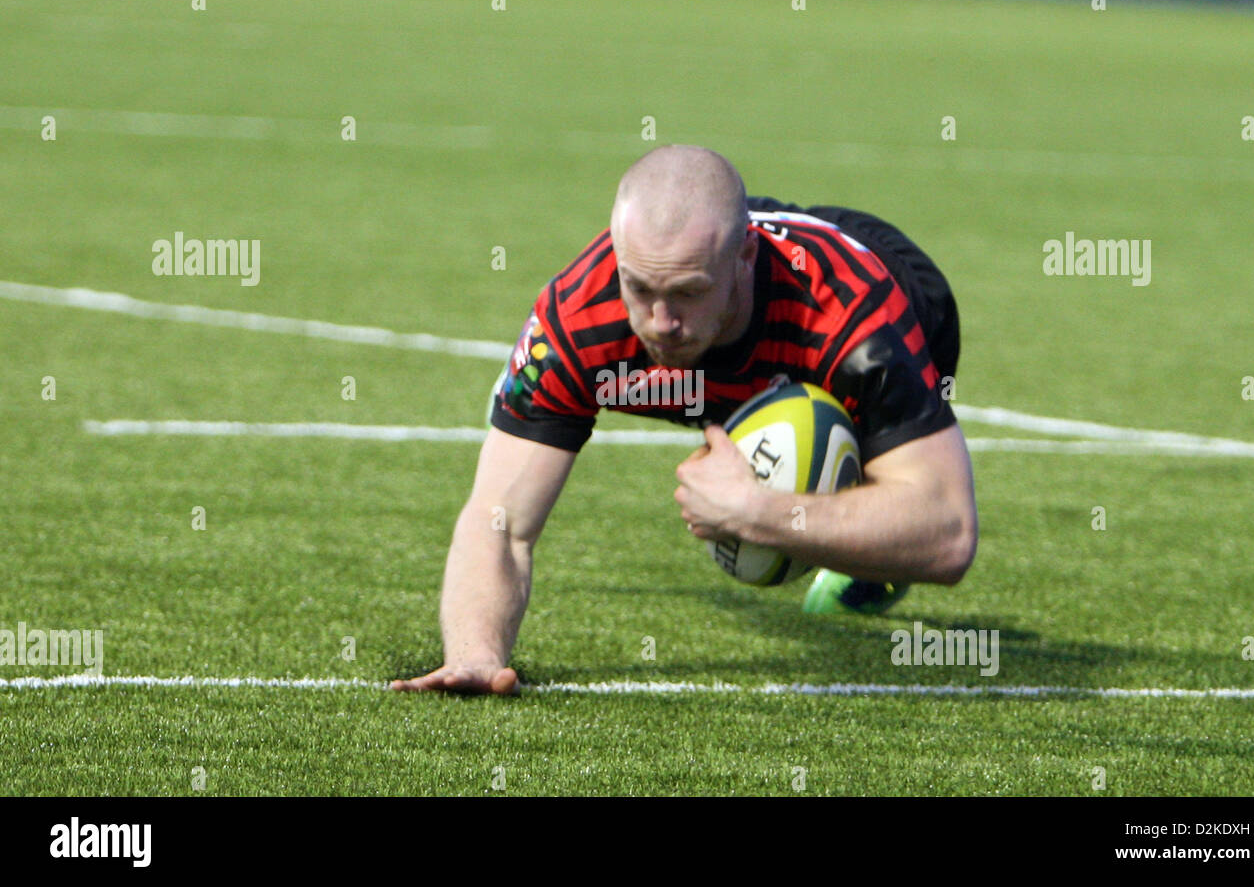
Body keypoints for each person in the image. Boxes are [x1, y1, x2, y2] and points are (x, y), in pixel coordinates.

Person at [391, 145, 977, 696]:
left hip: (874, 287)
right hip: (742, 288)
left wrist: (758, 513)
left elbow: (949, 533)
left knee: (865, 482)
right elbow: (500, 520)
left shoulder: (856, 320)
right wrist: (475, 655)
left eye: (688, 293)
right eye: (640, 288)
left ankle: (868, 560)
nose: (660, 322)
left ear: (744, 259)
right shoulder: (578, 317)